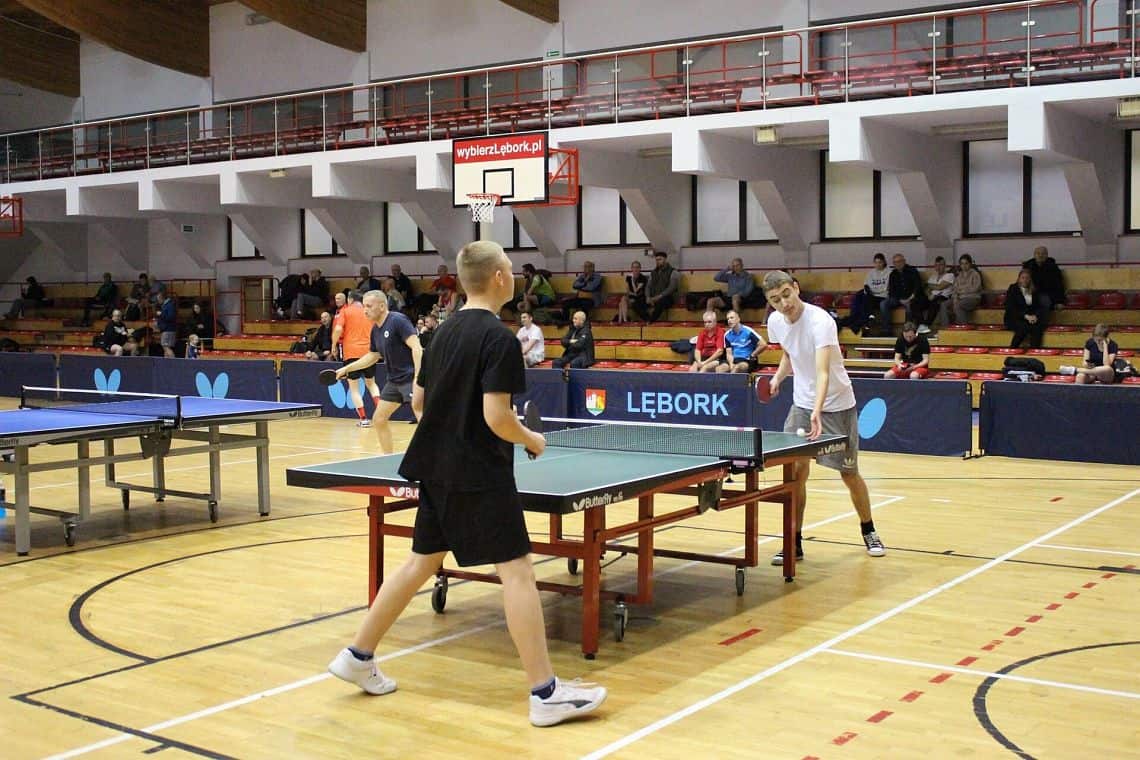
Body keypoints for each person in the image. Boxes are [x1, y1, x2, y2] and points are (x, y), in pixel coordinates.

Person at [326, 240, 606, 727]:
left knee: (421, 562)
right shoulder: (500, 339)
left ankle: (358, 655)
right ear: (498, 277)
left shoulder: (442, 333)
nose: (513, 275)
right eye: (510, 268)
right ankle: (545, 693)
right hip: (478, 471)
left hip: (435, 464)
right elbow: (496, 416)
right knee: (517, 570)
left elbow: (418, 403)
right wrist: (531, 438)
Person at [762, 270, 885, 564]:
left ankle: (868, 529)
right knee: (796, 474)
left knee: (849, 474)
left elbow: (823, 372)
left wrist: (817, 410)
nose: (783, 303)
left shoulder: (821, 321)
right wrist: (778, 378)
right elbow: (789, 354)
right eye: (775, 300)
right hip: (801, 405)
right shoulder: (775, 322)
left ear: (796, 288)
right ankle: (794, 542)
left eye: (786, 294)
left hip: (837, 404)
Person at [334, 290, 423, 453]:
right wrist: (346, 368)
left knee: (423, 419)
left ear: (382, 306)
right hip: (394, 381)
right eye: (364, 306)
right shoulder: (375, 330)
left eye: (369, 306)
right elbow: (373, 356)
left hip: (411, 378)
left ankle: (437, 460)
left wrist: (418, 377)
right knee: (379, 419)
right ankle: (387, 459)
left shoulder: (398, 320)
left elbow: (416, 347)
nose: (365, 310)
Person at [332, 290, 383, 427]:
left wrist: (333, 345)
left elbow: (338, 329)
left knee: (354, 388)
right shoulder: (369, 311)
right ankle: (381, 415)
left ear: (350, 299)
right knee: (372, 384)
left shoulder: (345, 311)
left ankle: (364, 419)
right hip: (369, 353)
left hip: (351, 352)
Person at [837, 253, 890, 335]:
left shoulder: (889, 272)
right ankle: (854, 317)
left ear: (884, 262)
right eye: (876, 262)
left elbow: (885, 288)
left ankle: (858, 322)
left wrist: (872, 290)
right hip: (870, 295)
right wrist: (871, 291)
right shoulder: (871, 273)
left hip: (882, 296)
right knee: (858, 295)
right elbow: (866, 285)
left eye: (880, 262)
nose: (878, 264)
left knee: (866, 299)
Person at [880, 254, 928, 334]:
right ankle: (886, 330)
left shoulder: (912, 271)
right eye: (895, 262)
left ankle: (908, 331)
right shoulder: (893, 274)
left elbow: (917, 286)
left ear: (904, 261)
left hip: (912, 298)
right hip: (898, 299)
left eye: (899, 261)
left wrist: (910, 298)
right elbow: (892, 291)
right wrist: (900, 300)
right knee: (883, 303)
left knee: (910, 306)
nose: (897, 264)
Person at [1004, 268, 1047, 349]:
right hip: (1014, 318)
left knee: (1037, 328)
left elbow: (1039, 307)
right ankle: (1013, 348)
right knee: (1023, 327)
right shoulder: (1013, 289)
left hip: (1030, 318)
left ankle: (1034, 350)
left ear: (1030, 279)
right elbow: (1010, 308)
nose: (1025, 280)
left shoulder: (1034, 290)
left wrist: (1035, 316)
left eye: (1027, 278)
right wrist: (1025, 316)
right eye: (1023, 277)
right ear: (1019, 279)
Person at [634, 251, 680, 323]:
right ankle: (647, 319)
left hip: (666, 298)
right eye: (656, 260)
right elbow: (648, 286)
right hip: (653, 297)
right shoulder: (653, 272)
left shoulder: (673, 272)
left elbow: (671, 288)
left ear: (665, 259)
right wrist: (648, 297)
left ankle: (651, 320)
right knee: (636, 302)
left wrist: (658, 297)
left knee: (662, 302)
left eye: (660, 259)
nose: (658, 261)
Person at [942, 253, 982, 325]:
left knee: (958, 305)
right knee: (943, 305)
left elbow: (975, 288)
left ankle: (964, 326)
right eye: (962, 264)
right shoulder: (959, 276)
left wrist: (961, 291)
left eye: (966, 263)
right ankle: (945, 327)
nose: (964, 266)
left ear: (970, 264)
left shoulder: (975, 274)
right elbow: (954, 289)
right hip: (959, 297)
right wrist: (955, 298)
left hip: (972, 298)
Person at [1023, 246, 1065, 311]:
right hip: (1030, 293)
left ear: (1047, 255)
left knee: (1042, 301)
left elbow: (1059, 285)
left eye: (1043, 253)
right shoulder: (1028, 267)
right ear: (1034, 255)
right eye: (1038, 253)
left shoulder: (1053, 268)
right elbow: (1021, 283)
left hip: (1047, 295)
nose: (1040, 255)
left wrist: (1060, 301)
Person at [921, 256, 954, 332]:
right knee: (916, 303)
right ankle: (920, 324)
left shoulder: (949, 275)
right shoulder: (933, 277)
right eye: (936, 265)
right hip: (931, 297)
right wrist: (929, 295)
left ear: (945, 266)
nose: (938, 267)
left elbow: (940, 287)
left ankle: (926, 325)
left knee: (935, 302)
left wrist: (929, 285)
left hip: (943, 297)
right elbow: (926, 289)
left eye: (941, 265)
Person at [154, 287, 178, 358]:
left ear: (162, 298)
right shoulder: (166, 305)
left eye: (158, 299)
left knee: (166, 347)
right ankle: (166, 364)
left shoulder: (169, 305)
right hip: (166, 329)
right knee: (166, 348)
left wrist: (161, 314)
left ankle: (174, 362)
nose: (158, 301)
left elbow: (171, 317)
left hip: (168, 330)